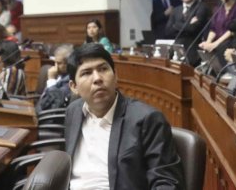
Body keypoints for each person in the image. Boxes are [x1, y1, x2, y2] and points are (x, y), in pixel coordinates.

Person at [63, 43, 183, 189]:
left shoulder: (147, 119)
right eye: (86, 73)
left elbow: (166, 182)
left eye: (103, 69)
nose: (97, 78)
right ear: (74, 87)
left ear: (116, 75)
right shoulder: (73, 112)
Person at [166, 0, 211, 64]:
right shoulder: (176, 10)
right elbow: (168, 31)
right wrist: (187, 24)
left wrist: (175, 25)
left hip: (194, 51)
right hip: (177, 50)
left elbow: (193, 29)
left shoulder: (201, 7)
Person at [38, 44, 74, 111]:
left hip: (48, 115)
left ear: (68, 64)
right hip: (40, 111)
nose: (55, 66)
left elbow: (57, 103)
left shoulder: (70, 81)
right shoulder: (60, 75)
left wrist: (51, 80)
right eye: (55, 62)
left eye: (59, 63)